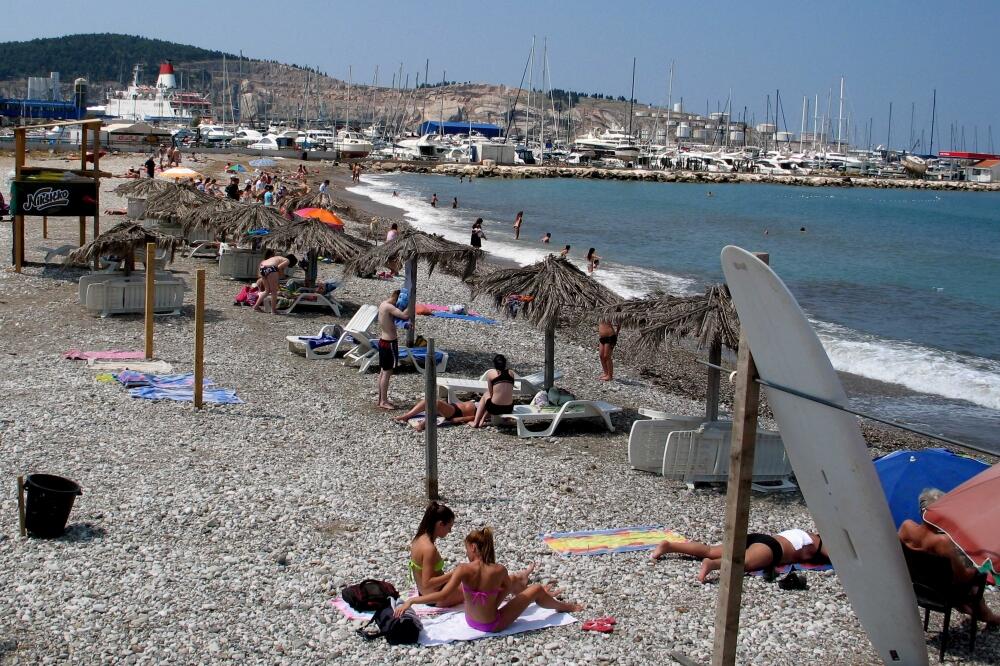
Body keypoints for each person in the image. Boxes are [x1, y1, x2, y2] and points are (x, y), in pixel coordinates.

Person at [394, 527, 581, 632]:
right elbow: (507, 589)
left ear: (474, 548)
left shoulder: (462, 569)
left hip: (470, 621)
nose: (466, 552)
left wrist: (412, 601)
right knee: (537, 589)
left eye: (467, 548)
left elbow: (442, 593)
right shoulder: (499, 570)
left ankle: (531, 584)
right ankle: (566, 607)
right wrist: (496, 603)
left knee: (515, 588)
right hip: (492, 625)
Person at [898, 489, 1000, 624]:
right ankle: (987, 616)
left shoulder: (906, 526)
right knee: (977, 582)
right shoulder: (941, 542)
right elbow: (962, 577)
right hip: (944, 591)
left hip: (920, 585)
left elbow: (898, 556)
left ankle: (971, 609)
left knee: (957, 578)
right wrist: (978, 570)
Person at [651, 528, 829, 583]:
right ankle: (712, 565)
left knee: (710, 550)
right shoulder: (818, 542)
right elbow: (839, 559)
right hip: (773, 548)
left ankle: (669, 546)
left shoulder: (800, 532)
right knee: (743, 563)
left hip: (760, 538)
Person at [407, 502, 460, 605]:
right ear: (440, 524)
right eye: (449, 527)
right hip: (435, 596)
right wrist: (453, 574)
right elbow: (427, 583)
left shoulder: (418, 539)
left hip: (423, 593)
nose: (449, 531)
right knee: (473, 587)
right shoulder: (429, 549)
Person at [376, 289, 408, 410]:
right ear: (397, 299)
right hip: (389, 343)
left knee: (383, 371)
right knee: (387, 372)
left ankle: (381, 399)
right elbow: (404, 315)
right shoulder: (389, 307)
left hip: (383, 341)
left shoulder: (383, 304)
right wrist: (411, 305)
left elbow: (397, 320)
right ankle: (383, 401)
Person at [471, 354, 515, 428]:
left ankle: (475, 422)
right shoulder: (511, 373)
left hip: (495, 408)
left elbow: (491, 393)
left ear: (495, 364)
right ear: (505, 364)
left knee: (486, 394)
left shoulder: (491, 373)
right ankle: (506, 419)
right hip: (509, 408)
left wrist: (487, 410)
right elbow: (510, 389)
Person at [394, 399, 479, 431]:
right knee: (428, 400)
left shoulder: (489, 411)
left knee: (436, 403)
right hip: (455, 406)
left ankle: (423, 424)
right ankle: (406, 416)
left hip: (456, 412)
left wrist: (460, 419)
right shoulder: (487, 400)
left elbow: (475, 418)